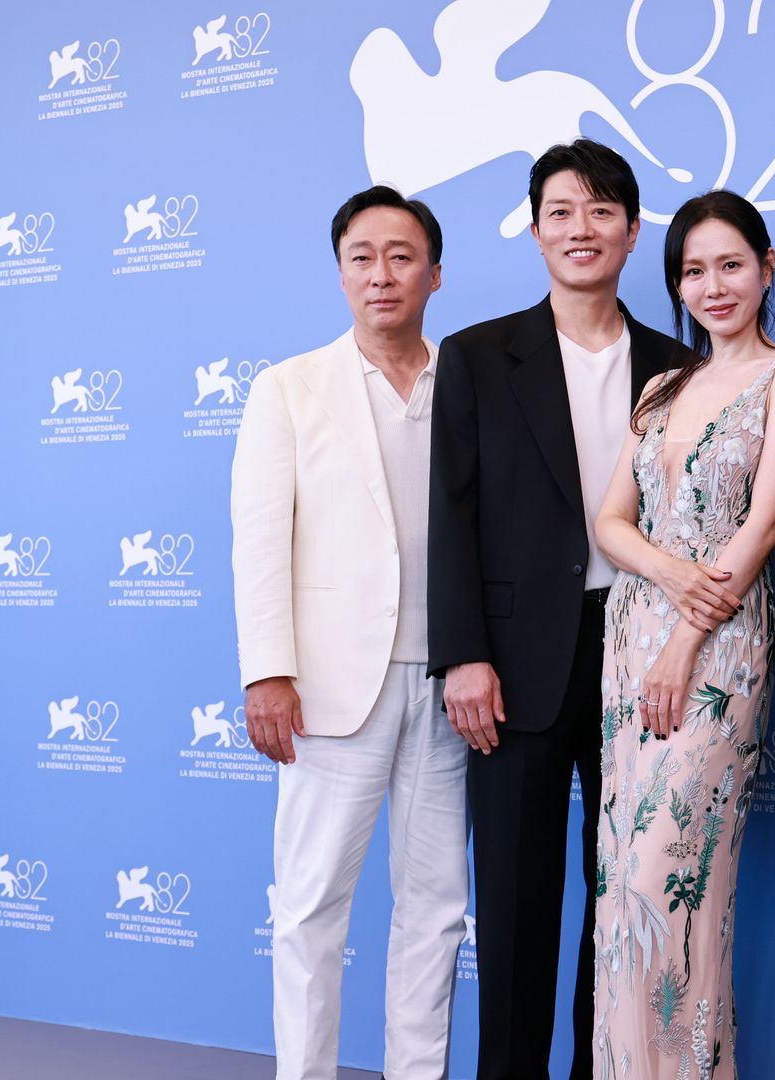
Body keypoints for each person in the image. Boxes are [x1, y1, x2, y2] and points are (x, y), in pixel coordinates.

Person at [428, 138, 693, 1079]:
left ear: (630, 230)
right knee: (514, 903)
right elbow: (449, 518)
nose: (581, 230)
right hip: (511, 660)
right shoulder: (475, 355)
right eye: (561, 213)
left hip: (642, 655)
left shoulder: (677, 364)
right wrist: (462, 654)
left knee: (625, 899)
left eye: (602, 212)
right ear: (536, 229)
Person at [231, 185, 465, 1080]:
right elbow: (259, 539)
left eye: (401, 257)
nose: (382, 274)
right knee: (310, 906)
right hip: (329, 689)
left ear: (435, 274)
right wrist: (268, 672)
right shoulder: (288, 388)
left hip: (447, 687)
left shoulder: (467, 382)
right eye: (362, 258)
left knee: (437, 906)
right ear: (339, 274)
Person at [588, 191, 775, 1077]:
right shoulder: (662, 385)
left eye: (731, 265)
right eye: (693, 271)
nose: (714, 286)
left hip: (715, 652)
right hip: (633, 639)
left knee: (670, 888)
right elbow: (610, 523)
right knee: (621, 892)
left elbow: (762, 528)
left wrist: (686, 638)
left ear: (765, 267)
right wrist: (666, 578)